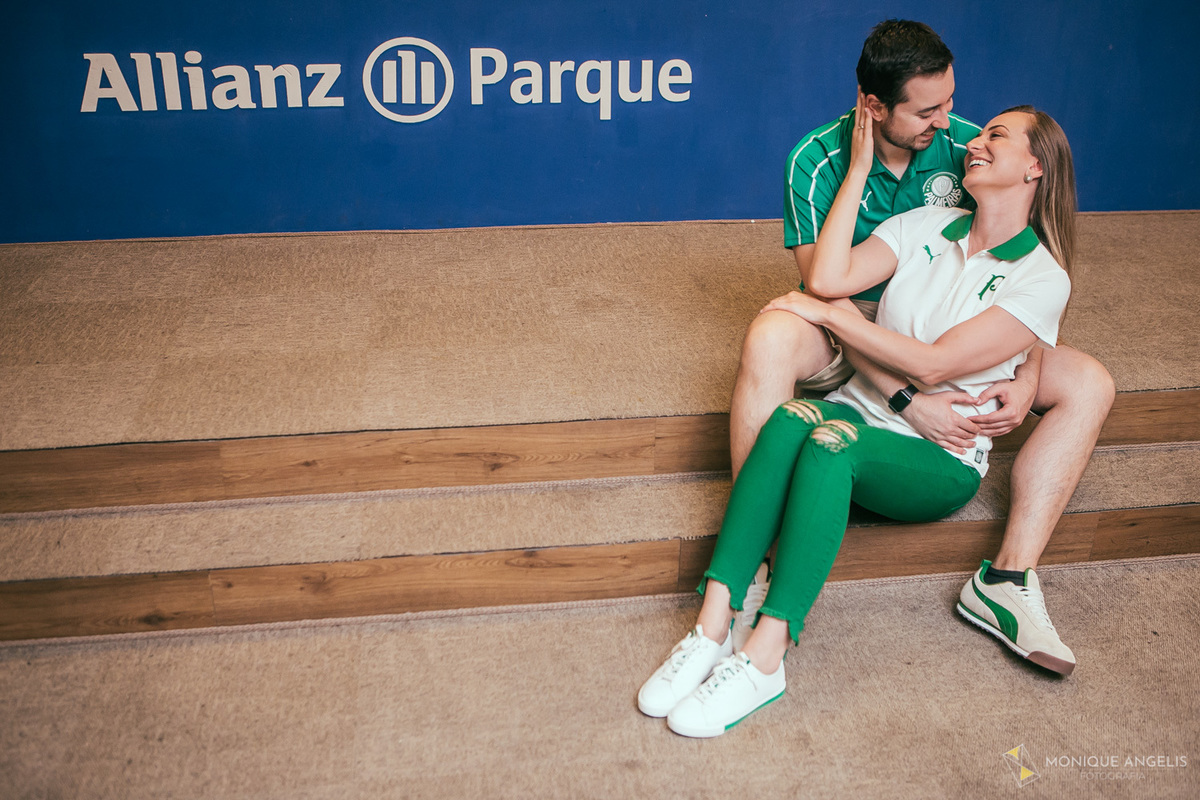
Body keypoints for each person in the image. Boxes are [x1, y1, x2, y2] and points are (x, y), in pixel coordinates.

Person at [638, 99, 1078, 738]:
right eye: (979, 133)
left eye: (997, 137)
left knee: (829, 442)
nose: (975, 143)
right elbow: (829, 274)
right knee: (792, 420)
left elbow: (932, 366)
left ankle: (766, 657)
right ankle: (711, 625)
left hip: (941, 456)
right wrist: (858, 168)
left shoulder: (1041, 277)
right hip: (862, 414)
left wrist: (839, 317)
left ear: (1035, 169)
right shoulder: (926, 223)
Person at [728, 19, 1113, 670]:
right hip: (850, 322)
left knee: (1091, 382)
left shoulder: (967, 147)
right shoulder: (814, 160)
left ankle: (1008, 580)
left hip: (947, 326)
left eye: (953, 104)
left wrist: (1024, 375)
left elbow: (1024, 281)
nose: (951, 123)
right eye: (928, 109)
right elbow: (828, 292)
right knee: (770, 335)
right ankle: (756, 554)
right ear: (875, 107)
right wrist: (908, 400)